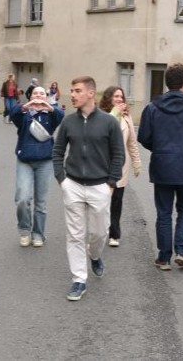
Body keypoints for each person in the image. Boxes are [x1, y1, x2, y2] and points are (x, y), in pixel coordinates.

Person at [52, 76, 124, 301]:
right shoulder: (68, 122)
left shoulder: (109, 122)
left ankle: (94, 256)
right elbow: (57, 151)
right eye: (72, 90)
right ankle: (79, 279)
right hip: (72, 185)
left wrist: (111, 183)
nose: (72, 95)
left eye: (77, 91)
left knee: (99, 233)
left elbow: (118, 154)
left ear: (91, 93)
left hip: (100, 186)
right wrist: (62, 180)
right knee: (75, 235)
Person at [137, 63, 183, 271]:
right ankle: (181, 251)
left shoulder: (152, 107)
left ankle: (164, 257)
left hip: (162, 164)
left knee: (164, 213)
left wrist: (159, 149)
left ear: (166, 82)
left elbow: (144, 137)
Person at [9, 86, 64, 247]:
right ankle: (24, 230)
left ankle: (38, 234)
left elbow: (61, 116)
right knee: (22, 198)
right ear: (30, 96)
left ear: (46, 97)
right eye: (35, 93)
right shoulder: (24, 114)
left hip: (45, 161)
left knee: (41, 202)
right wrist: (26, 106)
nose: (39, 95)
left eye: (42, 93)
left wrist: (49, 107)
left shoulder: (51, 115)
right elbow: (13, 114)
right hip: (25, 160)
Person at [98, 86, 142, 247]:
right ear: (108, 97)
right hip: (101, 163)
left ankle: (114, 234)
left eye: (121, 97)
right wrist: (114, 114)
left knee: (116, 200)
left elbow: (132, 142)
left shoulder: (126, 116)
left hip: (121, 164)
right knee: (101, 201)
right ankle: (99, 233)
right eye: (116, 96)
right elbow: (101, 134)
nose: (119, 99)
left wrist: (137, 162)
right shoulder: (100, 115)